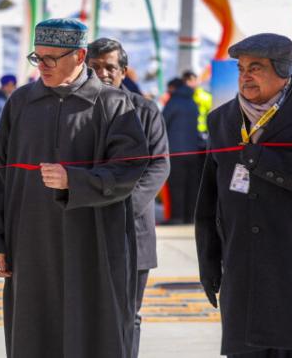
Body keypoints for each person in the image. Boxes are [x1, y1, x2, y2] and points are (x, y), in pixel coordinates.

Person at [0, 18, 149, 357]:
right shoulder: (21, 103)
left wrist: (77, 181)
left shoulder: (113, 103)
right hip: (30, 245)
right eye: (37, 57)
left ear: (80, 55)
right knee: (34, 336)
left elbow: (130, 169)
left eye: (51, 58)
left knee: (93, 335)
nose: (42, 66)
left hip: (94, 245)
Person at [195, 33, 292, 358]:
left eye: (256, 67)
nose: (245, 76)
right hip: (243, 270)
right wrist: (209, 261)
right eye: (241, 69)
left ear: (282, 70)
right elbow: (210, 199)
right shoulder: (222, 120)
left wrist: (266, 161)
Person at [87, 37, 170, 358]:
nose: (103, 73)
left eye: (110, 67)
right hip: (83, 227)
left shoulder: (145, 110)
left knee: (127, 315)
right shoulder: (73, 110)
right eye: (95, 67)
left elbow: (158, 166)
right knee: (87, 314)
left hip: (132, 232)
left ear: (123, 71)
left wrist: (121, 208)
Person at [162, 77, 205, 224]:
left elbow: (162, 123)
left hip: (176, 152)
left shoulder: (173, 102)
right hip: (193, 151)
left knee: (177, 185)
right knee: (192, 185)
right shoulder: (193, 102)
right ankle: (190, 217)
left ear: (173, 88)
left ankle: (177, 217)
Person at [183, 70, 213, 136]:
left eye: (190, 80)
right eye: (185, 81)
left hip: (202, 133)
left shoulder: (205, 97)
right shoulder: (180, 97)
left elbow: (213, 115)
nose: (187, 83)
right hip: (185, 133)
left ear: (196, 81)